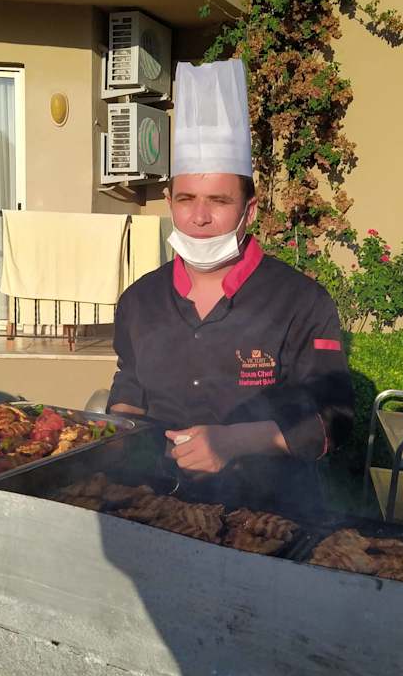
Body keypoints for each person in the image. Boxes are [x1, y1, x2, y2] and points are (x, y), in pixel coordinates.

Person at [107, 59, 354, 518]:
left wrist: (234, 441)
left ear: (250, 210)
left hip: (271, 515)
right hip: (157, 506)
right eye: (186, 199)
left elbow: (333, 419)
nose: (200, 218)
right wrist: (116, 430)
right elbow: (130, 382)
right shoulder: (139, 301)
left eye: (219, 201)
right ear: (169, 202)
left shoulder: (301, 301)